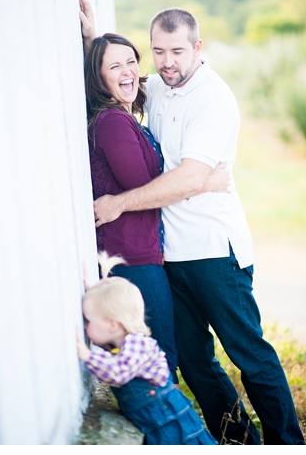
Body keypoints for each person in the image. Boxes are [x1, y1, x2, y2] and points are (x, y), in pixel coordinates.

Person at [79, 0, 305, 445]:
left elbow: (188, 178)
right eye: (158, 51)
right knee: (194, 362)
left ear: (197, 48)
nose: (166, 62)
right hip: (169, 256)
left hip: (213, 251)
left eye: (177, 51)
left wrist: (122, 202)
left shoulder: (213, 99)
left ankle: (287, 442)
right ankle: (237, 439)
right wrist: (91, 38)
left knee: (250, 355)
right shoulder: (158, 85)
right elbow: (115, 76)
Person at [83, 30, 230, 382]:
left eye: (132, 62)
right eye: (114, 66)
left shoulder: (123, 114)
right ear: (98, 76)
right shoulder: (115, 122)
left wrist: (92, 37)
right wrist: (204, 181)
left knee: (154, 354)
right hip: (134, 260)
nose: (128, 71)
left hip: (140, 256)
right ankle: (170, 429)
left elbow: (129, 75)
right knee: (160, 357)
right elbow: (143, 188)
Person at [76, 255, 218, 445]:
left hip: (170, 425)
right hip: (154, 422)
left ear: (112, 325)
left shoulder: (137, 345)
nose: (84, 326)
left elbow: (117, 372)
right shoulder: (121, 342)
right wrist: (93, 293)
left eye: (88, 320)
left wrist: (87, 355)